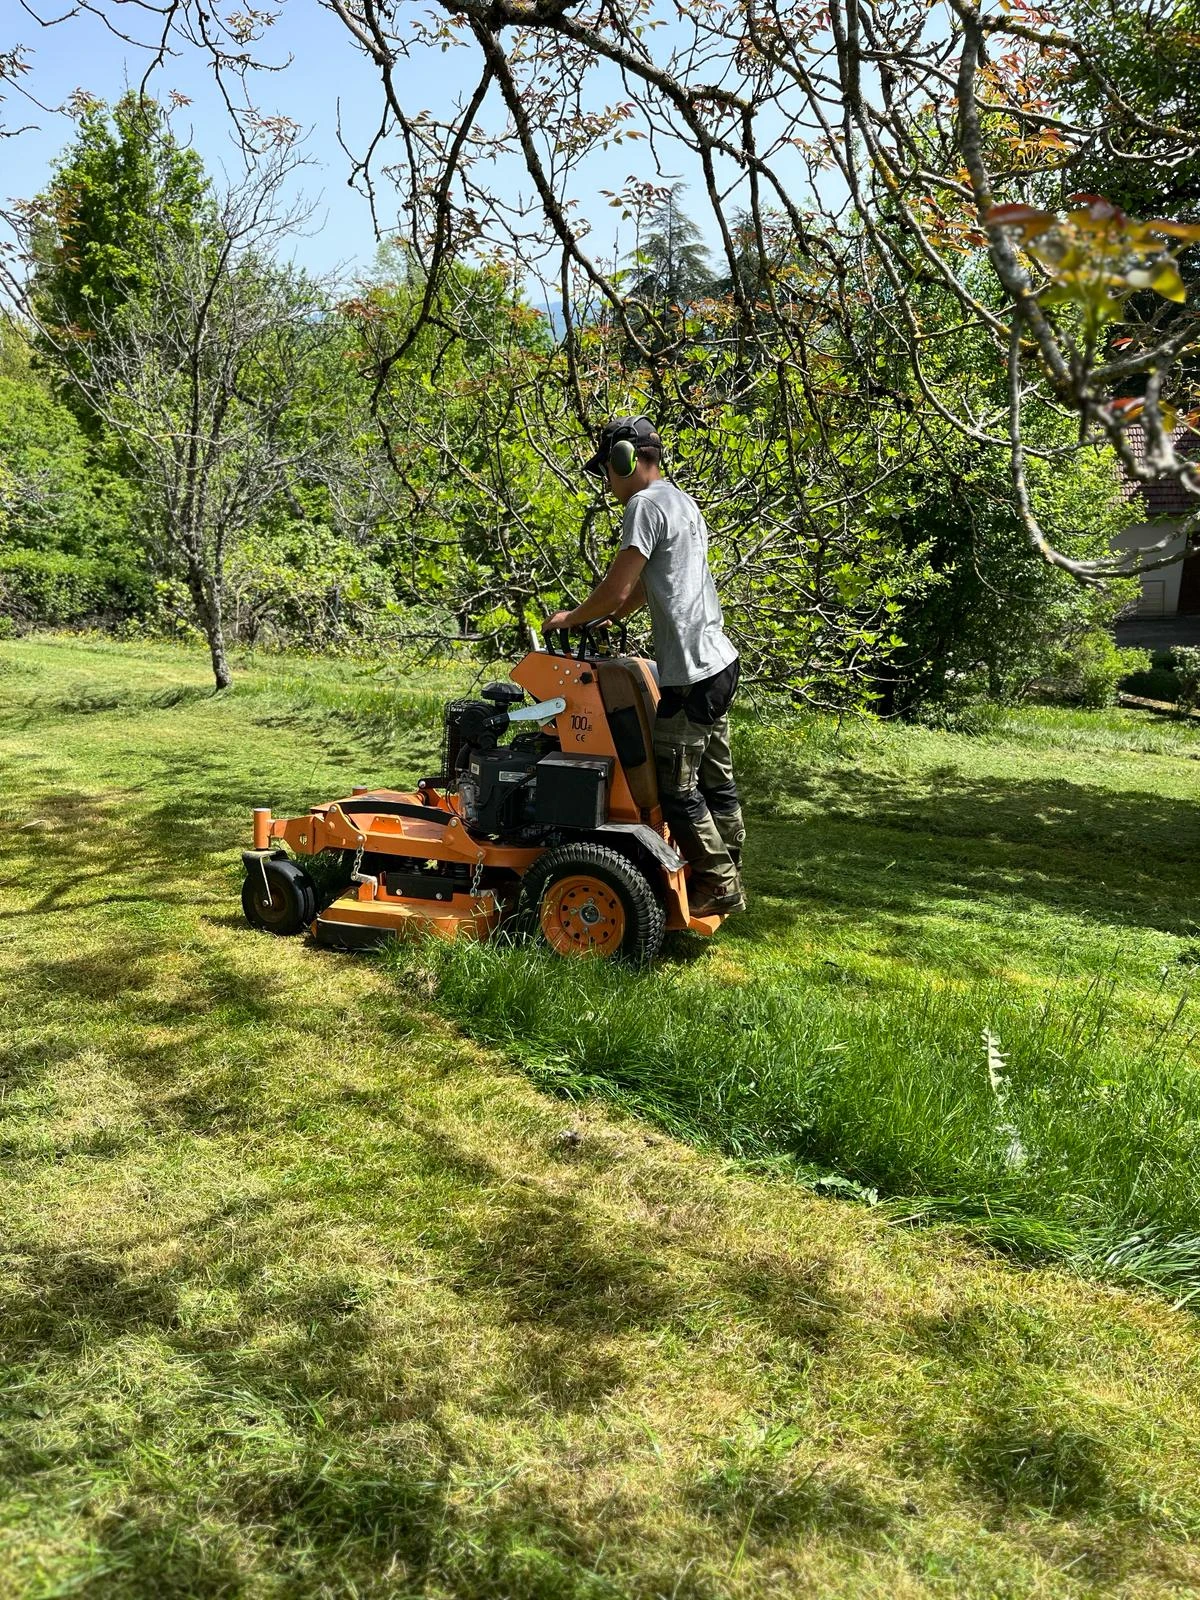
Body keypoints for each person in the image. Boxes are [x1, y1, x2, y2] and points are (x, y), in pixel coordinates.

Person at [542, 416, 746, 917]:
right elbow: (646, 588)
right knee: (716, 782)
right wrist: (611, 616)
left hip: (691, 674)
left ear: (624, 459)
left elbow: (615, 586)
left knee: (675, 789)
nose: (607, 483)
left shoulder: (643, 504)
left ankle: (717, 885)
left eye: (606, 470)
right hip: (720, 663)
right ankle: (726, 866)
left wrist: (570, 617)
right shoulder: (681, 500)